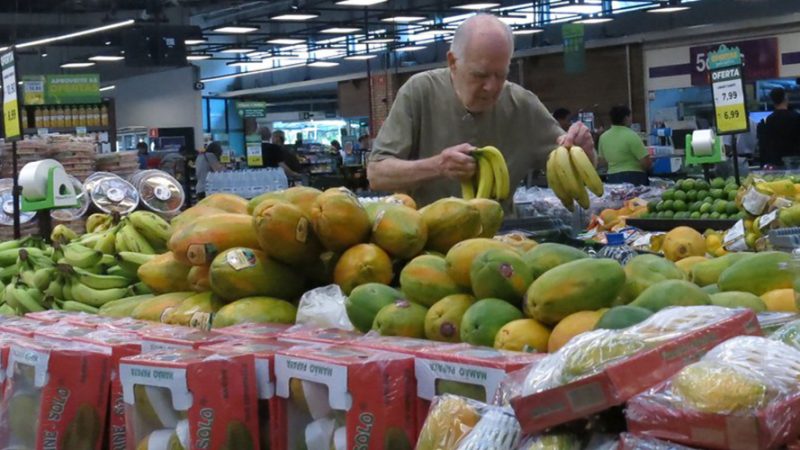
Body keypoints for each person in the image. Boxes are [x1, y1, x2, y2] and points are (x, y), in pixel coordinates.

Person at [366, 14, 594, 207]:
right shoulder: (420, 92)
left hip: (500, 243)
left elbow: (574, 177)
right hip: (426, 246)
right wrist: (437, 166)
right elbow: (377, 174)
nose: (492, 87)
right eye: (480, 75)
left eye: (501, 75)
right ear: (452, 62)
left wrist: (584, 152)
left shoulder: (523, 105)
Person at [598, 105, 651, 186]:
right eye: (630, 116)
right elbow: (646, 162)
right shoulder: (631, 135)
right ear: (626, 118)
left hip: (612, 178)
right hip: (634, 178)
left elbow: (602, 161)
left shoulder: (603, 137)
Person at [758, 87, 800, 167]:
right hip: (795, 163)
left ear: (772, 101)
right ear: (785, 98)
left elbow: (764, 148)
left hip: (776, 165)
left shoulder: (767, 121)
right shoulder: (796, 117)